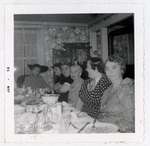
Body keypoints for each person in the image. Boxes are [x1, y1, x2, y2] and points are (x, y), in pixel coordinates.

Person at [99, 55, 135, 132]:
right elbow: (101, 112)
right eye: (107, 68)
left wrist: (109, 129)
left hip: (118, 131)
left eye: (114, 67)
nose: (110, 71)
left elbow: (130, 121)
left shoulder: (127, 89)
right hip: (103, 126)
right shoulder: (107, 89)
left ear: (121, 70)